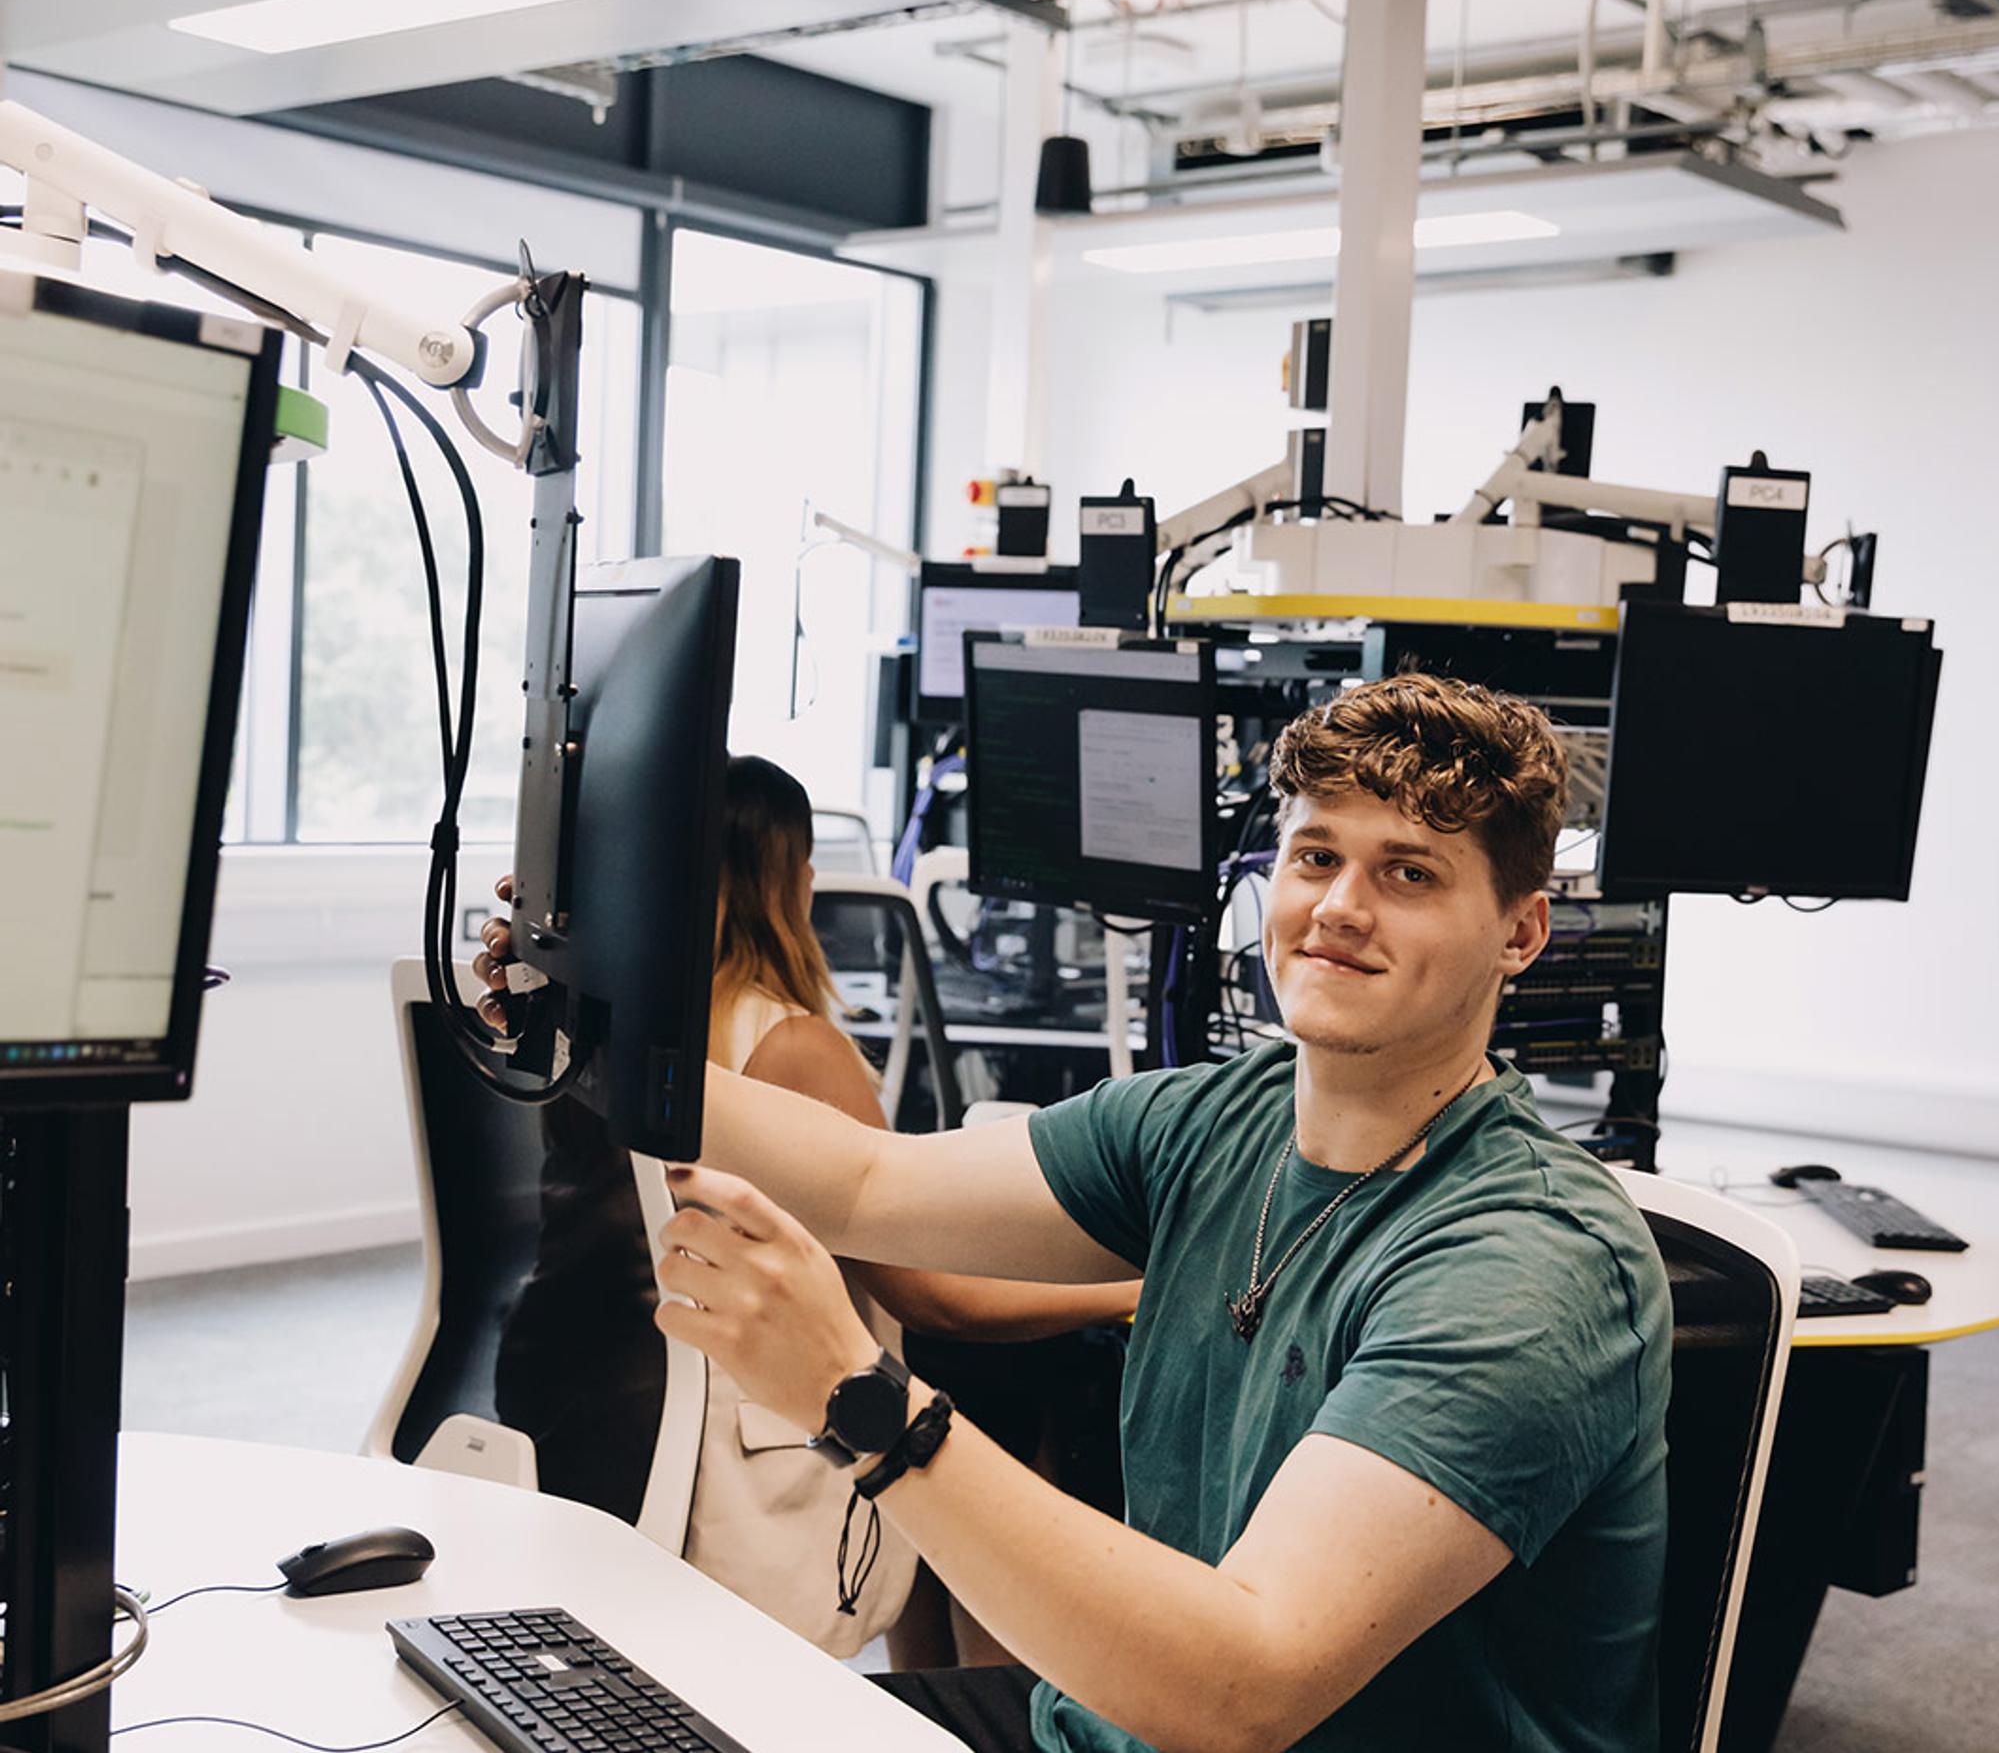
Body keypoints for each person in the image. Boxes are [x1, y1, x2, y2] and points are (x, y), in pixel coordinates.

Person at [560, 674, 1676, 1753]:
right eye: (1316, 855)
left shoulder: (1524, 1262)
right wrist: (589, 1036)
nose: (1338, 907)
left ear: (1521, 934)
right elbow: (868, 1184)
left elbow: (1246, 1688)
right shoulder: (1214, 1121)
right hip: (1109, 1720)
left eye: (1411, 874)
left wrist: (861, 1402)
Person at [477, 754, 1138, 1666]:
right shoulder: (788, 1045)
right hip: (743, 1450)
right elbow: (935, 1298)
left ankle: (926, 1690)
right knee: (1010, 1398)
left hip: (590, 1408)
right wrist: (1131, 1291)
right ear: (791, 882)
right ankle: (981, 1704)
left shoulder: (599, 1032)